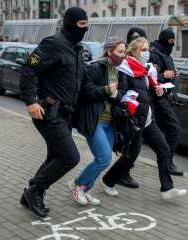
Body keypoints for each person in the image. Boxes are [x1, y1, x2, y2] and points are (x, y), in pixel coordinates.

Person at [19, 7, 88, 218]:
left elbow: (78, 83)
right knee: (70, 157)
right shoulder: (53, 43)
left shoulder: (76, 49)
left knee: (55, 156)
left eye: (87, 25)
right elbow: (28, 70)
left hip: (65, 114)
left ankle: (29, 195)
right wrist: (30, 101)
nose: (84, 29)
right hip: (49, 112)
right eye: (81, 25)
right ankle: (35, 191)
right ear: (70, 24)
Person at [101, 37, 187, 200]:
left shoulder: (144, 71)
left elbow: (146, 93)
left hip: (147, 119)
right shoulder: (126, 70)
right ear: (133, 51)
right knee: (130, 156)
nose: (147, 53)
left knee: (164, 149)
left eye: (148, 49)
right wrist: (124, 98)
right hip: (134, 121)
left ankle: (167, 189)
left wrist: (158, 90)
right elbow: (120, 95)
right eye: (143, 50)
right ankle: (108, 181)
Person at [68, 37, 126, 206]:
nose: (123, 56)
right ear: (109, 51)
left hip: (110, 122)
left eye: (124, 52)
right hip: (95, 120)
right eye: (120, 52)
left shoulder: (118, 70)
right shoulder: (96, 67)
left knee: (105, 160)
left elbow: (121, 93)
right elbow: (85, 91)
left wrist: (117, 95)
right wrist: (106, 90)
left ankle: (85, 188)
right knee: (103, 157)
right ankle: (78, 185)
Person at [116, 27, 148, 189]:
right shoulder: (126, 66)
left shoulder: (143, 66)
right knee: (130, 149)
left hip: (144, 115)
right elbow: (123, 93)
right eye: (143, 49)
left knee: (135, 149)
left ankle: (118, 176)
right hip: (132, 115)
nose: (146, 52)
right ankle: (113, 178)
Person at [149, 29, 184, 176]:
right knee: (174, 129)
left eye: (174, 41)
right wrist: (164, 75)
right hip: (157, 100)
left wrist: (174, 76)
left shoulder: (167, 55)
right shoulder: (155, 55)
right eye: (170, 41)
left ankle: (167, 163)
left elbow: (171, 75)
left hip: (166, 98)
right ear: (164, 40)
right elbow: (150, 78)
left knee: (170, 131)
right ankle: (167, 162)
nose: (172, 43)